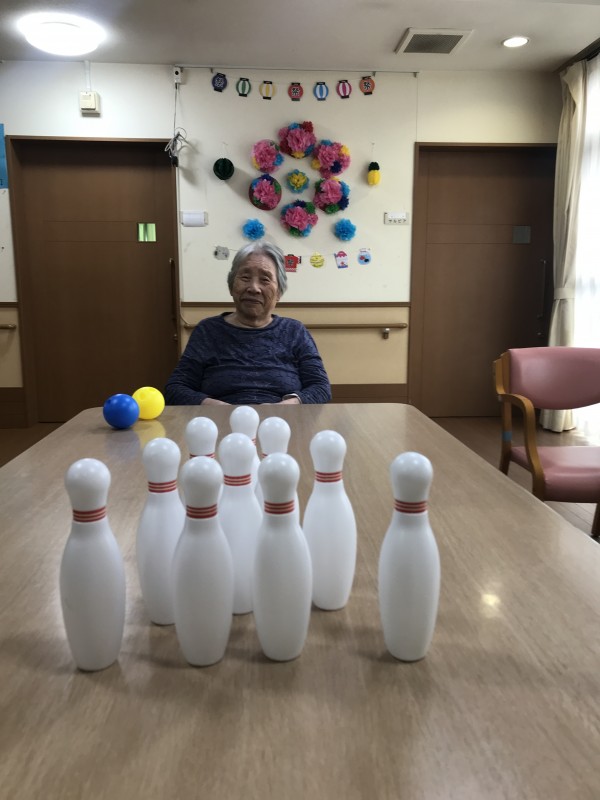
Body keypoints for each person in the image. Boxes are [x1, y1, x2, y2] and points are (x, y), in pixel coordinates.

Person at [164, 242, 332, 406]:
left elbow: (321, 388)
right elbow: (175, 388)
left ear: (279, 292)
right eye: (245, 277)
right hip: (220, 420)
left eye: (265, 279)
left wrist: (286, 406)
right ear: (231, 285)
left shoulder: (295, 331)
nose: (254, 288)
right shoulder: (208, 331)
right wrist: (214, 407)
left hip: (280, 419)